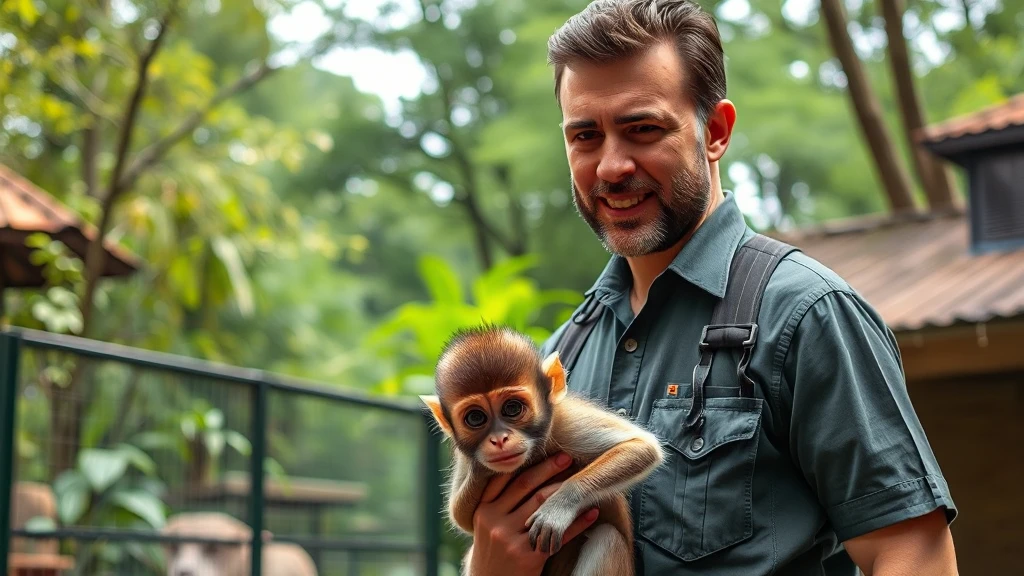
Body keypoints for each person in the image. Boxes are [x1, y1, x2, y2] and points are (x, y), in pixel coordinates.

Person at [462, 1, 959, 575]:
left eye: (642, 128)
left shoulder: (805, 314)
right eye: (585, 136)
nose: (611, 166)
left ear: (716, 131)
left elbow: (914, 555)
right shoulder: (554, 365)